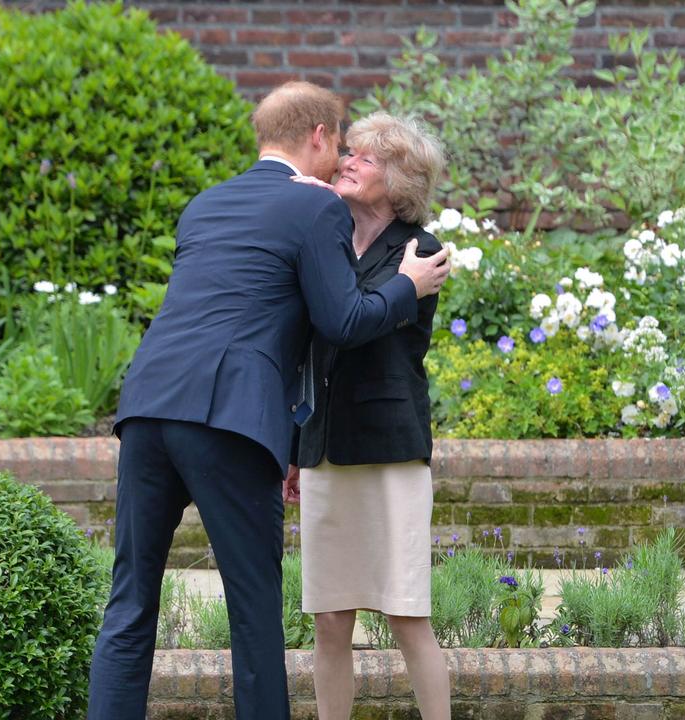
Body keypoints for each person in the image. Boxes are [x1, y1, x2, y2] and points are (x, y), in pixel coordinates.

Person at [87, 82, 451, 720]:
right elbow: (340, 320)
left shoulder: (205, 204)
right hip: (229, 418)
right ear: (317, 136)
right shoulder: (317, 210)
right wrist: (407, 286)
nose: (341, 158)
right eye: (339, 143)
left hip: (146, 407)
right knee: (254, 610)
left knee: (130, 602)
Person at [286, 112, 451, 720]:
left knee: (407, 613)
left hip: (389, 450)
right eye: (347, 153)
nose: (347, 162)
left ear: (401, 178)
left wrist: (404, 283)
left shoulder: (420, 252)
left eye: (366, 158)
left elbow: (354, 324)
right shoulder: (327, 238)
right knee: (329, 618)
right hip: (325, 446)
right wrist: (295, 447)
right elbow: (307, 348)